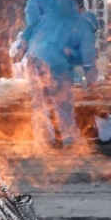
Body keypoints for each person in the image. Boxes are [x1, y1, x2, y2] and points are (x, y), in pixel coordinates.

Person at [25, 8, 95, 148]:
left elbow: (30, 30)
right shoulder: (85, 26)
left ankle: (42, 139)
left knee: (39, 99)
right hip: (54, 61)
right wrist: (91, 80)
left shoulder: (55, 16)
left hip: (33, 58)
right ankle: (69, 136)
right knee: (63, 100)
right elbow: (87, 58)